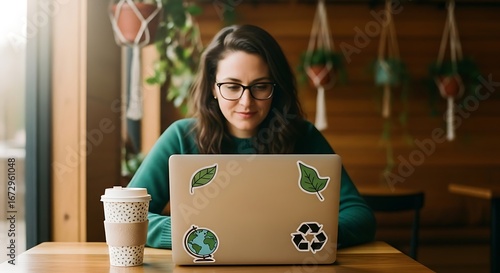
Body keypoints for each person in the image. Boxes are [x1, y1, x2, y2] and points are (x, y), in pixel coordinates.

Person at [127, 24, 376, 249]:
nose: (246, 102)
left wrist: (307, 237)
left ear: (275, 89)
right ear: (214, 88)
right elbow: (128, 213)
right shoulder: (181, 137)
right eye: (232, 86)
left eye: (260, 86)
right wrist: (189, 236)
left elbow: (359, 215)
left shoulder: (304, 137)